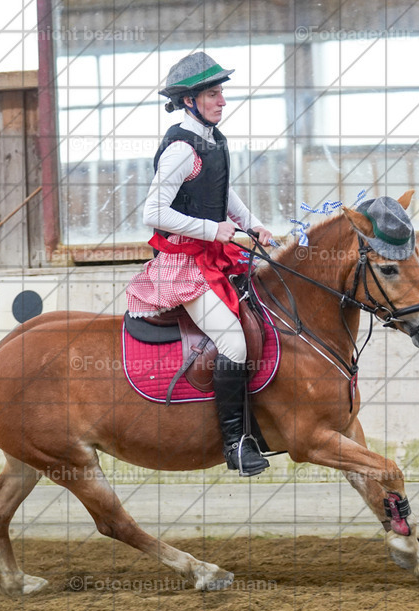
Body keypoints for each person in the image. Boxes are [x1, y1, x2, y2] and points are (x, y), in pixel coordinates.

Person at [126, 52, 275, 477]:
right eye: (213, 94)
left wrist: (254, 224)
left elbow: (223, 193)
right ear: (189, 101)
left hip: (212, 253)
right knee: (234, 345)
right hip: (183, 264)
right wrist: (213, 229)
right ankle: (235, 443)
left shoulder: (212, 140)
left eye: (221, 93)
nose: (222, 101)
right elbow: (153, 212)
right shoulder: (180, 149)